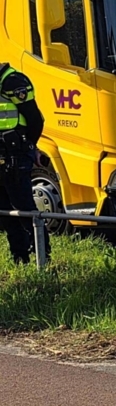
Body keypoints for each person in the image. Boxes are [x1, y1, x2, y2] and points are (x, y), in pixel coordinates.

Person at [0, 63, 44, 264]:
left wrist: (30, 147)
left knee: (23, 206)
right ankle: (19, 257)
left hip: (14, 154)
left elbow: (34, 119)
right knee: (4, 210)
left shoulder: (12, 81)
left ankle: (42, 255)